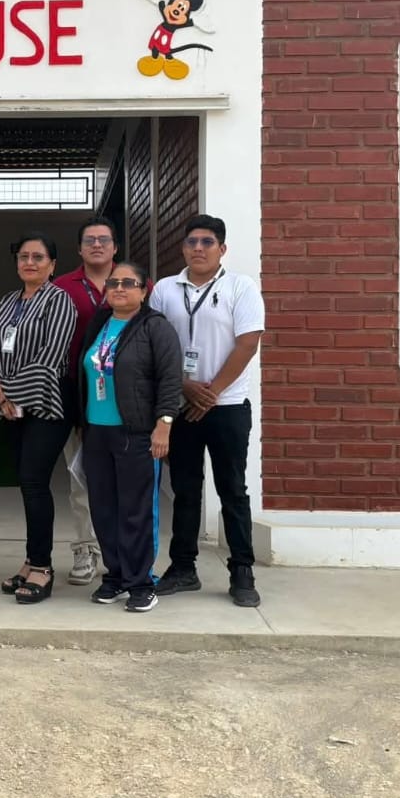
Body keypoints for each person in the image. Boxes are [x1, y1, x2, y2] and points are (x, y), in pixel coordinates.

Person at [150, 213, 267, 607]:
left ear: (222, 249)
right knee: (185, 490)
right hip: (181, 404)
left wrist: (212, 393)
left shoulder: (240, 287)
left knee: (232, 489)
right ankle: (183, 567)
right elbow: (155, 344)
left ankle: (242, 570)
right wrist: (184, 387)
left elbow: (248, 343)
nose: (198, 249)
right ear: (183, 248)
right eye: (192, 242)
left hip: (227, 406)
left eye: (207, 242)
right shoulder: (165, 289)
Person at [75, 260, 181, 613]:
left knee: (136, 511)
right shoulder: (100, 323)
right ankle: (116, 575)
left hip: (136, 433)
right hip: (97, 432)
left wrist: (164, 424)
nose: (119, 288)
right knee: (103, 509)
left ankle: (141, 582)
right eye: (113, 283)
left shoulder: (155, 327)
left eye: (128, 283)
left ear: (144, 290)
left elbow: (170, 379)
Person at [0, 232, 78, 605]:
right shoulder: (8, 301)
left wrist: (9, 391)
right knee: (26, 483)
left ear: (52, 265)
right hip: (10, 405)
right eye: (23, 256)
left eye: (38, 257)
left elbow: (51, 357)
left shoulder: (60, 301)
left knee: (35, 482)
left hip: (47, 403)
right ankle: (30, 560)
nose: (29, 263)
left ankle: (42, 567)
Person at [51, 214, 120, 586]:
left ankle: (121, 553)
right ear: (79, 249)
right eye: (89, 240)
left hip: (123, 398)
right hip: (76, 394)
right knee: (81, 477)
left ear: (115, 247)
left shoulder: (134, 282)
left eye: (103, 239)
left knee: (124, 479)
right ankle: (85, 548)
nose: (97, 245)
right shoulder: (62, 287)